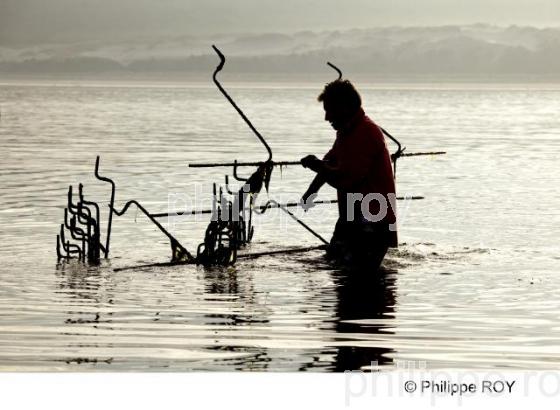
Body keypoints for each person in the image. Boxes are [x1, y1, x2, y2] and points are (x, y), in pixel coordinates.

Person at [300, 79, 398, 268]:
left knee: (354, 272)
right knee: (334, 265)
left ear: (344, 108)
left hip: (373, 221)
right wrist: (311, 191)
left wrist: (317, 166)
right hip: (352, 217)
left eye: (329, 110)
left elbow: (348, 180)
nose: (327, 118)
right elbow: (330, 162)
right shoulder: (346, 132)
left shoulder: (366, 133)